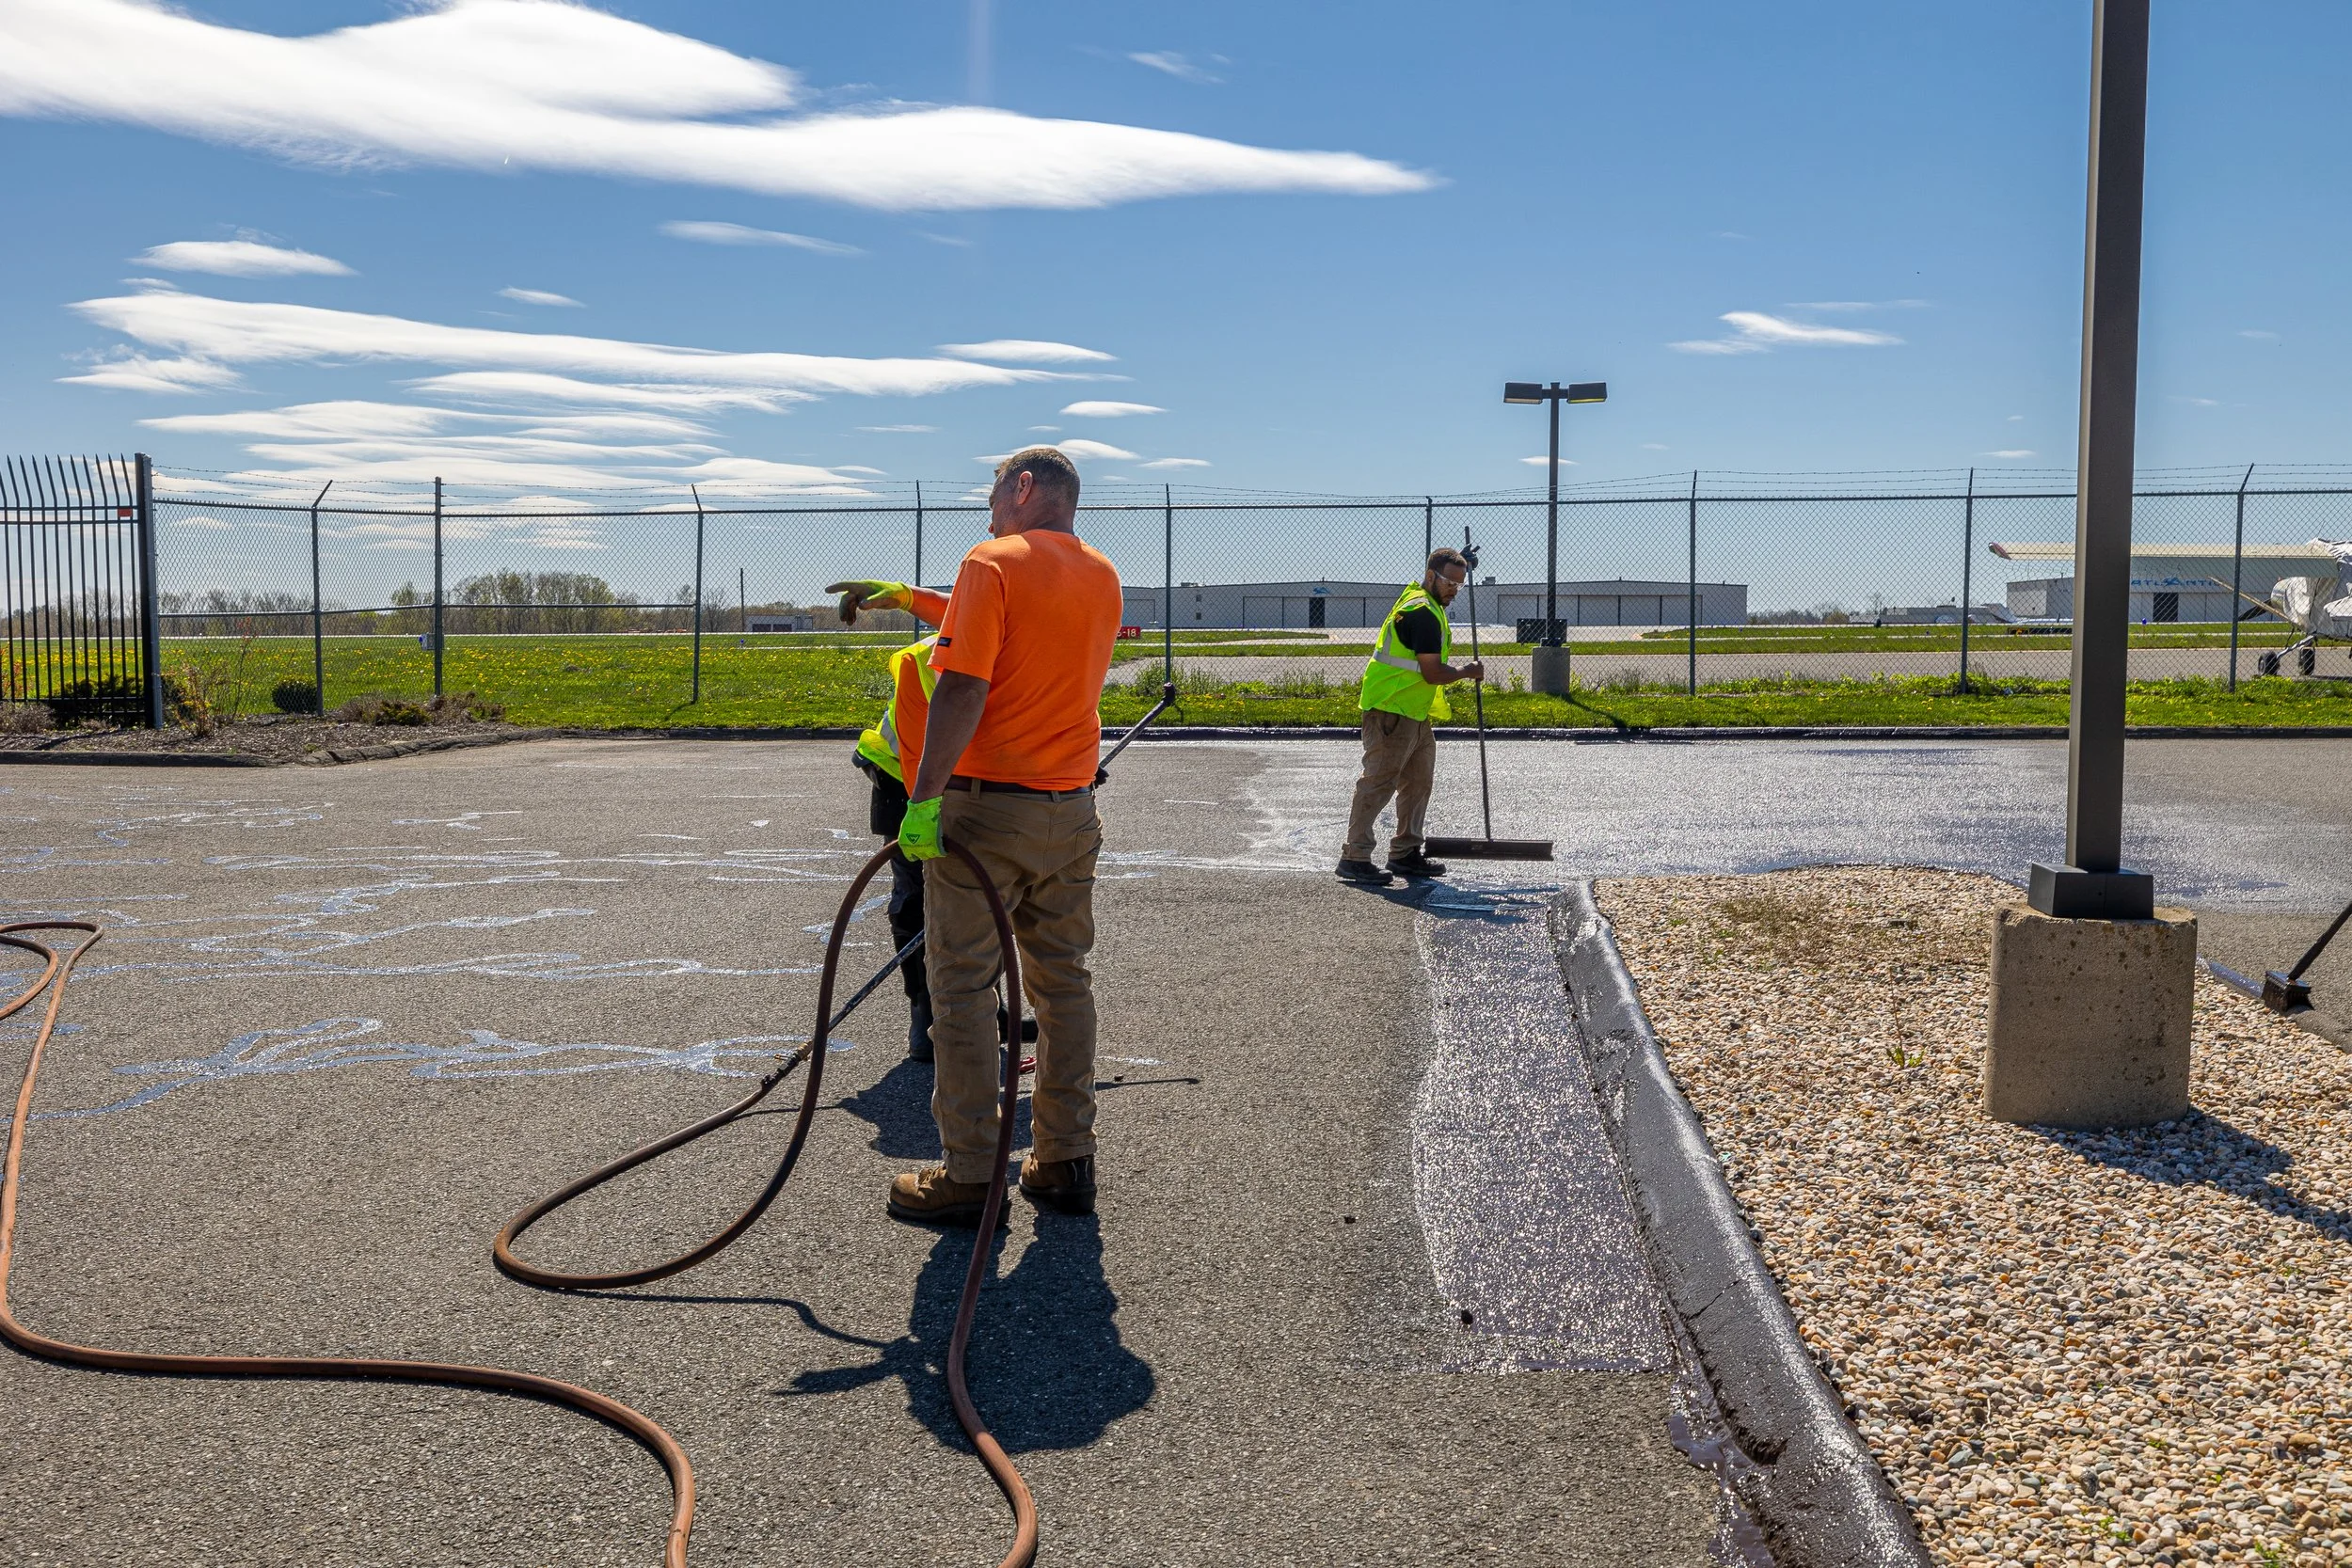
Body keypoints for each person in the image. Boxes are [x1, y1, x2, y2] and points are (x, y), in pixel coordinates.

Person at [888, 447, 1123, 1225]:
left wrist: (922, 799)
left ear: (1023, 487)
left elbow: (962, 682)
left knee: (961, 989)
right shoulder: (1103, 574)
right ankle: (1063, 1158)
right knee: (1063, 984)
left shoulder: (990, 562)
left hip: (986, 813)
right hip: (1070, 809)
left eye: (993, 489)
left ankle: (969, 1174)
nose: (988, 507)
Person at [827, 578, 948, 1062]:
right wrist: (926, 811)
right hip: (904, 776)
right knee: (917, 896)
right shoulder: (928, 664)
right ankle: (925, 1009)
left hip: (948, 769)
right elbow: (925, 755)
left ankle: (979, 1005)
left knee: (983, 896)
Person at [1337, 547, 1485, 887]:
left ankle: (1405, 852)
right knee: (1379, 782)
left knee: (1418, 782)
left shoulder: (1423, 598)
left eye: (1459, 585)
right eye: (1449, 582)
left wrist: (1461, 561)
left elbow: (1437, 566)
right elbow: (1433, 673)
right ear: (1431, 576)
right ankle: (1354, 857)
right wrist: (1467, 671)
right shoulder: (1421, 613)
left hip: (1414, 712)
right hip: (1391, 709)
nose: (1454, 590)